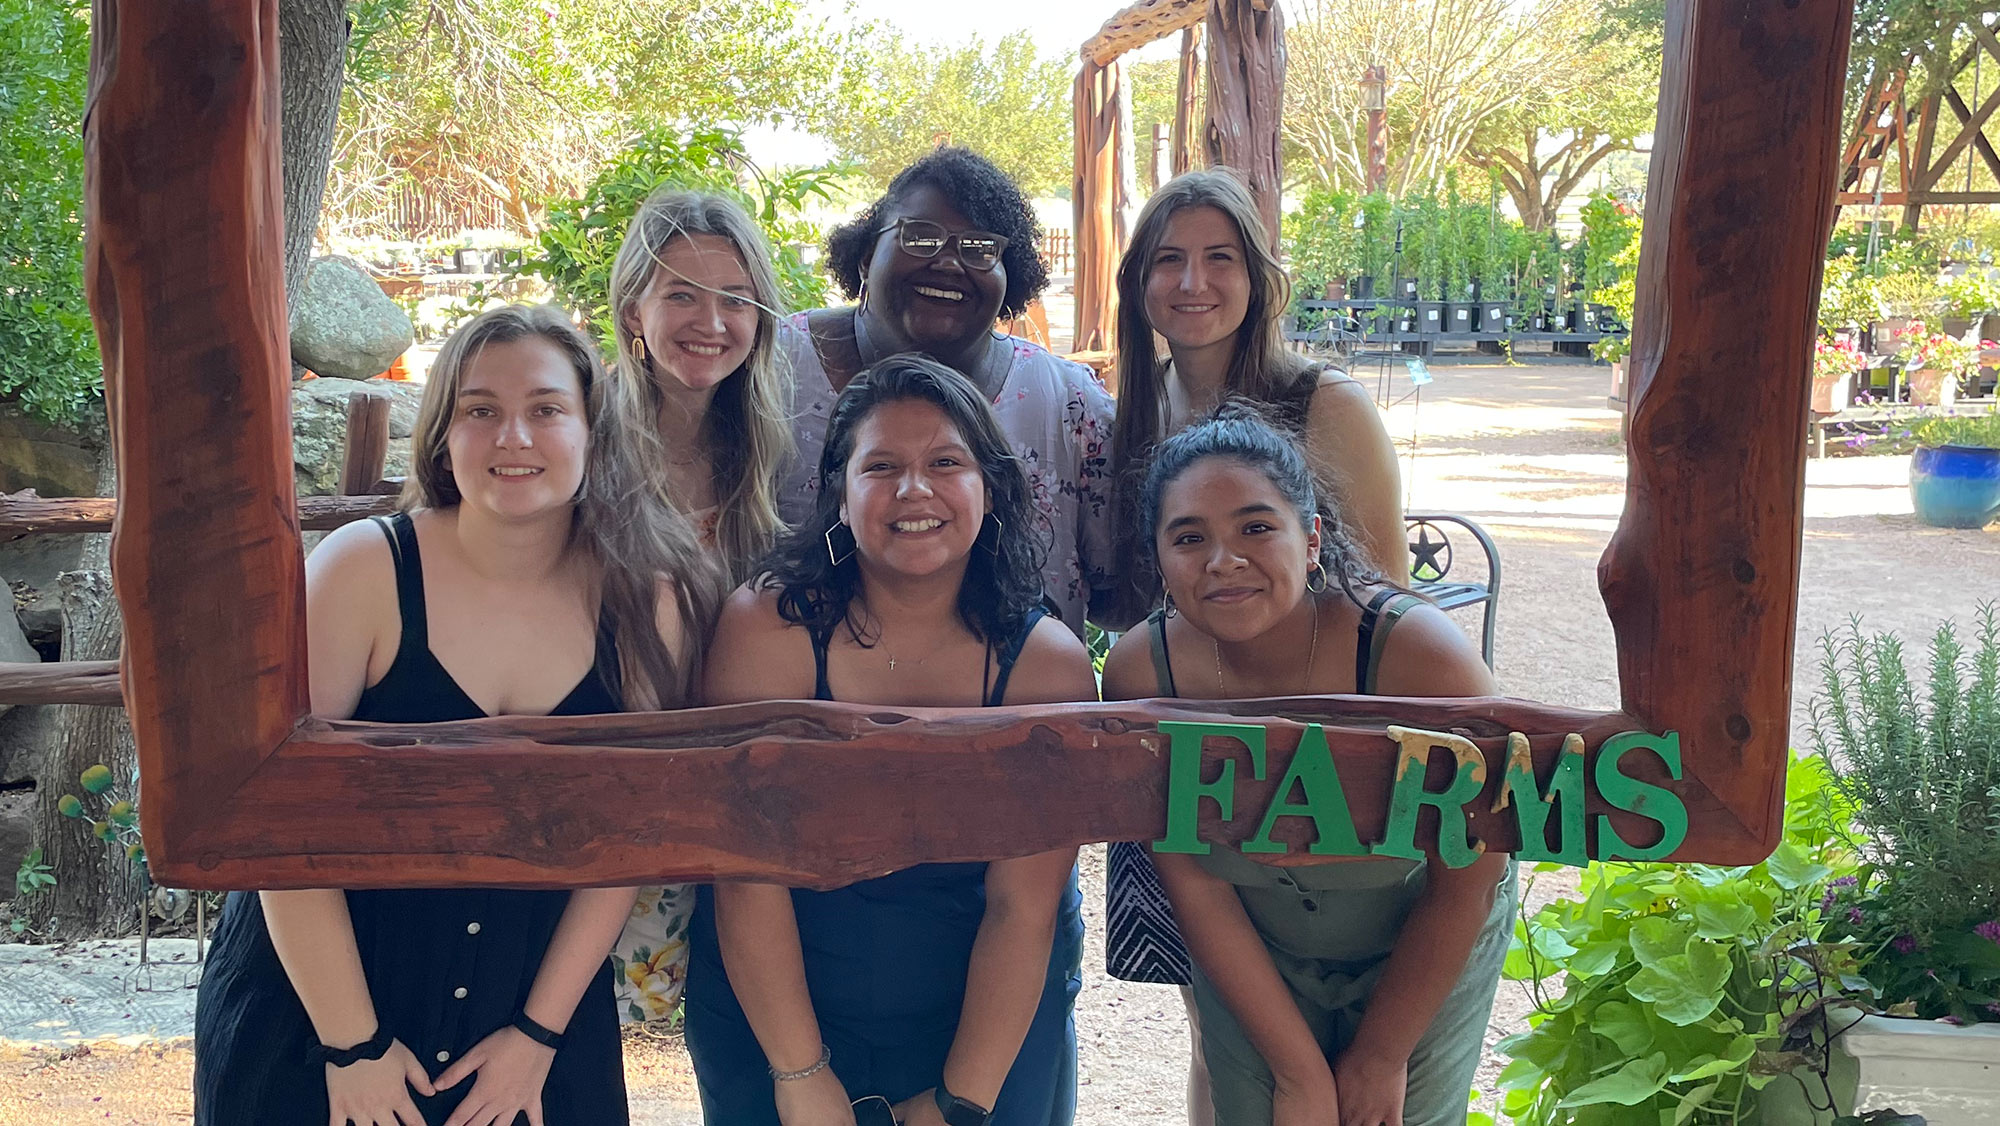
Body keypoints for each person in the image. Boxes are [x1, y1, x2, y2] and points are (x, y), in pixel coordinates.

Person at [193, 305, 725, 1126]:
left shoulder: (648, 601)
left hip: (534, 1011)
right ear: (443, 433)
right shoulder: (364, 571)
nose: (513, 437)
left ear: (593, 430)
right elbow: (278, 829)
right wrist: (353, 1047)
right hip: (322, 1003)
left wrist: (539, 1035)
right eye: (481, 410)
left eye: (546, 409)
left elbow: (627, 841)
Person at [684, 354, 1098, 1126]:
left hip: (989, 1011)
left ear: (989, 487)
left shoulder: (1047, 666)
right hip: (778, 1003)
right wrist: (799, 1074)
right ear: (839, 492)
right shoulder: (764, 633)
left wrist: (962, 1102)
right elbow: (745, 878)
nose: (915, 490)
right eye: (882, 467)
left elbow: (1024, 909)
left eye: (946, 462)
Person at [1102, 406, 1515, 1126]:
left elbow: (1467, 884)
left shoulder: (1420, 658)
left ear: (1312, 536)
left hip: (1421, 931)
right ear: (1160, 560)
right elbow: (1195, 884)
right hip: (1254, 942)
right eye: (1189, 537)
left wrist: (1381, 1057)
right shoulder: (1146, 670)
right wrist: (1295, 1071)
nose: (1223, 560)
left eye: (1256, 528)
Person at [1099, 171, 1411, 1124]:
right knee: (1221, 1021)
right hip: (1189, 756)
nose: (1193, 282)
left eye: (1219, 257)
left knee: (1343, 1040)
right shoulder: (1132, 411)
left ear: (1258, 277)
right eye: (1168, 260)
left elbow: (1383, 599)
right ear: (1138, 284)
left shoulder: (1326, 405)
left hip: (1320, 762)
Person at [777, 146, 1115, 639]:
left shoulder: (1068, 405)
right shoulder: (772, 367)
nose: (950, 263)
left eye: (981, 248)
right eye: (920, 236)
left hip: (1024, 703)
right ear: (868, 253)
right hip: (792, 697)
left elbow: (1124, 593)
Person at [604, 186, 796, 1024]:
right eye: (681, 293)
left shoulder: (762, 451)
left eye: (734, 299)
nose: (709, 320)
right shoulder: (580, 433)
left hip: (716, 794)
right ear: (634, 309)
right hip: (595, 781)